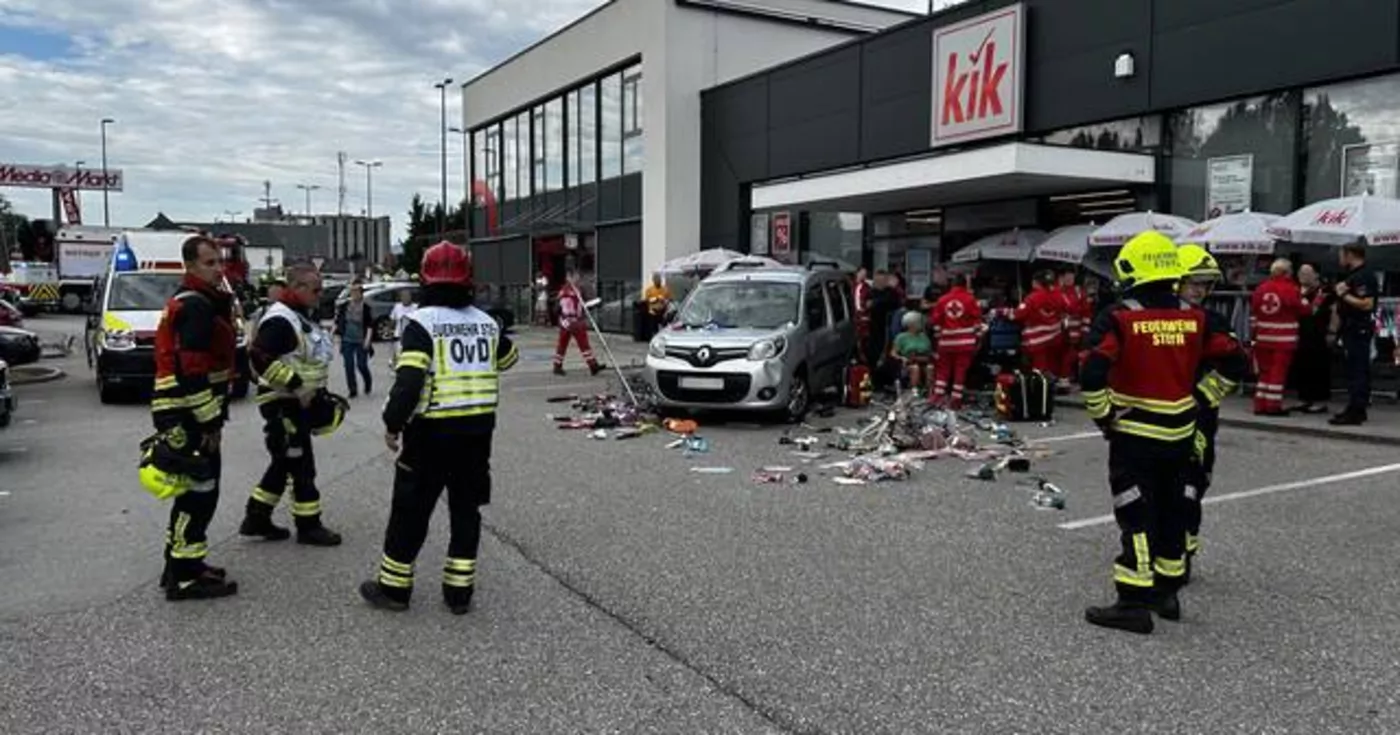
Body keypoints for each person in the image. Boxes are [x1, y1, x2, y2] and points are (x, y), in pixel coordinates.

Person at [1080, 232, 1247, 634]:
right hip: (1181, 433)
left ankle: (1132, 601)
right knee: (1173, 509)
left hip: (1135, 433)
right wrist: (1204, 396)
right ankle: (1167, 593)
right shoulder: (1197, 318)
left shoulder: (1118, 317)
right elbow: (1238, 361)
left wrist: (1105, 417)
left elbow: (1091, 371)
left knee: (1136, 512)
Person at [361, 242, 519, 614]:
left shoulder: (421, 324)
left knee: (411, 511)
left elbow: (410, 382)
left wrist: (392, 424)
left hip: (431, 434)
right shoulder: (485, 323)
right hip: (478, 434)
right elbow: (509, 359)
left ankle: (395, 589)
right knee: (466, 511)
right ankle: (459, 593)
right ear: (468, 281)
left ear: (425, 279)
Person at [149, 235, 240, 600]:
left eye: (220, 261)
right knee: (199, 494)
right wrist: (210, 423)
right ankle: (184, 577)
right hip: (188, 414)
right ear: (189, 266)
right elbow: (192, 371)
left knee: (192, 492)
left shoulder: (195, 301)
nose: (218, 269)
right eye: (209, 263)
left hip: (182, 411)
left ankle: (182, 564)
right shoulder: (198, 306)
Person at [239, 263, 343, 547]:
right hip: (283, 403)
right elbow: (258, 356)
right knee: (301, 465)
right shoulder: (281, 319)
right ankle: (309, 526)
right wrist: (296, 385)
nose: (320, 295)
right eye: (316, 289)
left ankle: (257, 517)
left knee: (284, 462)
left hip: (296, 404)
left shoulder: (299, 316)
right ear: (296, 287)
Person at [1176, 244, 1240, 584]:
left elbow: (1237, 365)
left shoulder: (1212, 321)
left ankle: (1184, 550)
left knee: (1194, 482)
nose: (1199, 290)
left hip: (1198, 415)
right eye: (1192, 282)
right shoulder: (1159, 317)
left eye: (1204, 283)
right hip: (1161, 414)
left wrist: (1204, 395)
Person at [1249, 258, 1307, 416]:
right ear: (1286, 273)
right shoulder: (1290, 289)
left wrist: (1255, 335)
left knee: (1264, 373)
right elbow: (1303, 310)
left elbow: (1253, 314)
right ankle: (1273, 406)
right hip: (1283, 340)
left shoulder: (1260, 289)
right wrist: (1311, 299)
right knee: (1277, 374)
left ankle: (1259, 404)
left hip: (1262, 338)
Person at [1330, 244, 1378, 426]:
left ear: (1350, 255)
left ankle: (1357, 410)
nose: (1339, 259)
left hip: (1359, 328)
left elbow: (1367, 304)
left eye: (1341, 255)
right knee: (1353, 370)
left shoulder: (1364, 276)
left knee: (1358, 370)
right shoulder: (1352, 276)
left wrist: (1343, 295)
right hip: (1351, 328)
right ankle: (1354, 407)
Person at [928, 272, 983, 409]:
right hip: (965, 343)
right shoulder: (971, 300)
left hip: (946, 343)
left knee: (943, 370)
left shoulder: (942, 300)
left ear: (952, 284)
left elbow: (934, 320)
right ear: (966, 284)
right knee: (960, 371)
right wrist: (977, 338)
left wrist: (939, 334)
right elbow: (977, 321)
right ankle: (956, 399)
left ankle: (937, 396)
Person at [1291, 264, 1333, 414]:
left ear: (1316, 275)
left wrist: (1331, 332)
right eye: (1301, 273)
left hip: (1319, 333)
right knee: (1301, 366)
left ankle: (1320, 400)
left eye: (1307, 273)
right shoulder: (1296, 291)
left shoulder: (1325, 291)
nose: (1303, 276)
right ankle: (1304, 398)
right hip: (1300, 332)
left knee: (1318, 367)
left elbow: (1329, 311)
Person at [1014, 270, 1065, 380]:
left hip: (1037, 341)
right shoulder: (1058, 295)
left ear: (1036, 282)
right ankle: (1052, 386)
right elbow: (1066, 309)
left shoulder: (1032, 298)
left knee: (1039, 371)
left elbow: (1018, 315)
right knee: (1052, 367)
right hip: (1055, 338)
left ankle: (1040, 390)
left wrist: (1002, 312)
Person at [553, 270, 603, 377]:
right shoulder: (576, 290)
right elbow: (581, 305)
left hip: (565, 321)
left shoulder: (563, 290)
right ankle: (593, 365)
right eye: (575, 276)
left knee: (562, 344)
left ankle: (557, 365)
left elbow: (557, 307)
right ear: (570, 277)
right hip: (575, 321)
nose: (577, 279)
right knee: (583, 344)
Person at [335, 282, 375, 398]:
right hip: (347, 339)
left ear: (361, 294)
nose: (354, 294)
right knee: (348, 365)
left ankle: (368, 381)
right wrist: (333, 334)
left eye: (357, 292)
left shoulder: (366, 308)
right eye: (352, 292)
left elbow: (370, 325)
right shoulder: (345, 306)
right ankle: (353, 389)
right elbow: (338, 321)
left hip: (361, 340)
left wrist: (367, 340)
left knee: (361, 365)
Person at [1056, 269, 1085, 385]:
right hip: (1060, 331)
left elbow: (1086, 312)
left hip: (1076, 331)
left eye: (1071, 277)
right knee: (1064, 356)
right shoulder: (1057, 292)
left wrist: (1085, 330)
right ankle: (1063, 378)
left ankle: (1066, 378)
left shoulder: (1078, 291)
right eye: (1067, 277)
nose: (1069, 280)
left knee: (1072, 355)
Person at [892, 311, 932, 393]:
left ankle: (929, 390)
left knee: (930, 368)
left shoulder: (923, 336)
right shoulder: (901, 337)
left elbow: (929, 351)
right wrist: (901, 358)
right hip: (908, 361)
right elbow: (893, 353)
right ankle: (914, 391)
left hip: (923, 359)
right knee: (915, 368)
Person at [390, 287, 418, 361]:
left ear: (411, 297)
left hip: (412, 337)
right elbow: (392, 320)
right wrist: (391, 331)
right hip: (399, 337)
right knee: (398, 357)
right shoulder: (397, 307)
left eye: (407, 296)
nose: (405, 298)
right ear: (401, 297)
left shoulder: (416, 307)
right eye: (403, 296)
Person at [643, 272, 673, 337]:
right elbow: (647, 300)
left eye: (659, 279)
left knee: (663, 325)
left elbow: (670, 299)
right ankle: (654, 336)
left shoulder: (665, 289)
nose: (657, 281)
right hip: (653, 311)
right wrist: (656, 298)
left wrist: (665, 301)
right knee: (653, 326)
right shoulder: (649, 290)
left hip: (663, 311)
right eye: (656, 280)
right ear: (653, 280)